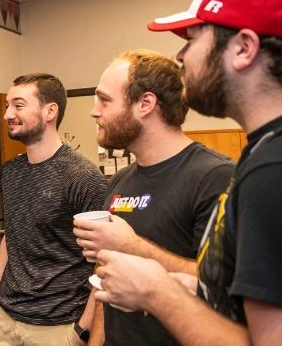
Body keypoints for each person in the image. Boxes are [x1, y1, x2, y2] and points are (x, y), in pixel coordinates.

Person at [94, 0, 282, 345]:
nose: (180, 57)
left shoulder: (271, 168)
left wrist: (157, 293)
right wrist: (196, 289)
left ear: (244, 48)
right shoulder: (260, 154)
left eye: (193, 39)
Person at [73, 50, 233, 346]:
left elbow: (221, 285)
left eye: (104, 100)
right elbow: (106, 276)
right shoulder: (120, 179)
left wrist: (132, 246)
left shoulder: (216, 177)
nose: (94, 111)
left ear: (145, 103)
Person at [0, 73, 107, 346]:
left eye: (18, 105)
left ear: (50, 111)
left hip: (58, 326)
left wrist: (83, 329)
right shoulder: (10, 171)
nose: (7, 115)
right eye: (7, 107)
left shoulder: (81, 176)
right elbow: (12, 236)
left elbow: (105, 260)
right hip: (5, 318)